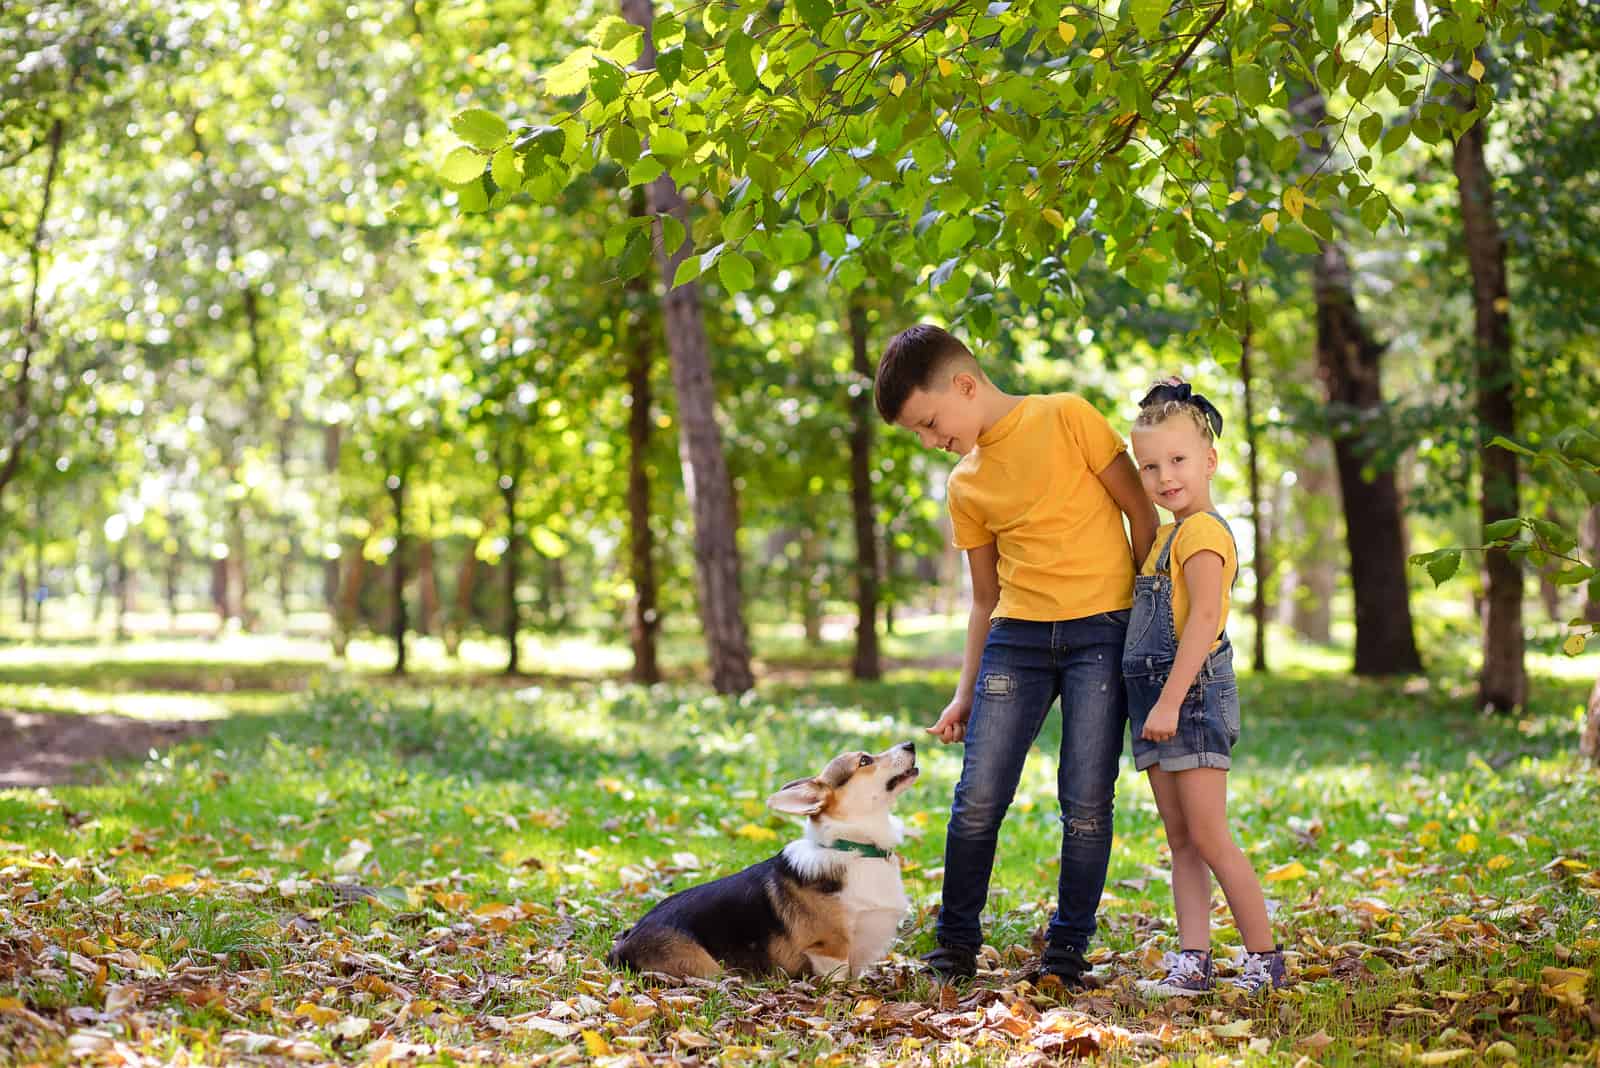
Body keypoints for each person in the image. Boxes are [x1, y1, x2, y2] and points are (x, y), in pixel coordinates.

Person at [874, 324, 1157, 987]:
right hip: (1018, 640)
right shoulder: (964, 483)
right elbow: (983, 598)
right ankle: (954, 949)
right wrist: (964, 692)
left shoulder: (1068, 416)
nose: (930, 440)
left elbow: (1142, 517)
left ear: (965, 385)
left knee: (1087, 802)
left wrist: (1146, 627)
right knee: (976, 801)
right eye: (918, 432)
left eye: (930, 421)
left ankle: (1065, 954)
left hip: (1102, 632)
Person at [1124, 378, 1287, 995]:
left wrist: (1168, 701)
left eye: (1179, 460)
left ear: (1210, 460)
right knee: (1180, 841)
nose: (1165, 476)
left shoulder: (1203, 534)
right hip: (1157, 705)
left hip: (1186, 701)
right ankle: (1193, 959)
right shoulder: (1167, 535)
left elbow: (1203, 620)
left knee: (1210, 837)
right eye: (1150, 466)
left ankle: (1263, 959)